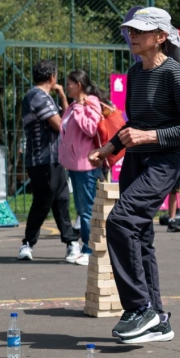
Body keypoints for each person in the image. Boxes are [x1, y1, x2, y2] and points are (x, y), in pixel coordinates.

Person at [88, 7, 180, 345]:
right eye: (130, 30)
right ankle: (158, 319)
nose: (132, 35)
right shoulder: (136, 73)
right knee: (139, 236)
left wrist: (148, 137)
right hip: (136, 159)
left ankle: (139, 308)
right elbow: (133, 122)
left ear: (161, 37)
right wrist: (109, 147)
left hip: (164, 160)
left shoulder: (175, 74)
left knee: (120, 222)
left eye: (140, 30)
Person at [17, 60, 80, 263]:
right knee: (44, 201)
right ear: (52, 77)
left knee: (61, 199)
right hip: (42, 160)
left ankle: (71, 243)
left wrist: (62, 97)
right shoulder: (36, 96)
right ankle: (28, 243)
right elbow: (61, 125)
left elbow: (64, 119)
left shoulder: (45, 97)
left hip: (55, 158)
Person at [59, 70, 104, 267]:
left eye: (69, 84)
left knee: (86, 210)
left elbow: (90, 128)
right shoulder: (72, 106)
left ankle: (89, 249)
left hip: (86, 165)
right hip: (74, 165)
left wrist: (78, 110)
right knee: (81, 209)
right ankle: (87, 247)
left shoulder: (90, 103)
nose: (67, 87)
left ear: (78, 84)